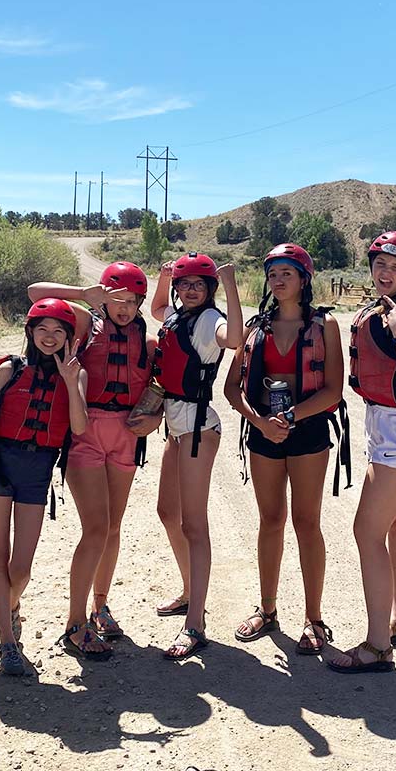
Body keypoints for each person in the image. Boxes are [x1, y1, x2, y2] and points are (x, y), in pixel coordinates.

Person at [27, 263, 162, 661]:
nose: (123, 307)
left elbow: (159, 389)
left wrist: (153, 420)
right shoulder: (87, 323)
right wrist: (84, 294)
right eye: (117, 299)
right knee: (96, 528)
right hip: (86, 431)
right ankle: (74, 622)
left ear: (140, 303)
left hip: (127, 434)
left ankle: (100, 606)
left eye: (132, 301)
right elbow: (36, 292)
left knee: (113, 527)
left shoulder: (148, 341)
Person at [223, 244, 347, 655]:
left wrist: (290, 418)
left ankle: (314, 618)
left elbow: (333, 391)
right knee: (270, 519)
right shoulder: (257, 327)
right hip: (263, 433)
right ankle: (268, 608)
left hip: (307, 432)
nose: (278, 281)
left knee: (306, 523)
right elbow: (231, 388)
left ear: (304, 279)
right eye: (273, 273)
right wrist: (259, 421)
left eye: (287, 273)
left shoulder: (325, 324)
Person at [327, 232, 396, 674]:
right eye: (379, 265)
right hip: (385, 424)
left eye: (395, 267)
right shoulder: (377, 309)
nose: (385, 273)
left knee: (366, 532)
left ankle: (377, 646)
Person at [0, 298, 87, 675]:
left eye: (58, 332)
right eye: (42, 330)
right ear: (30, 333)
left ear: (68, 337)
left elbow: (79, 428)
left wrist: (69, 381)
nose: (49, 338)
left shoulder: (75, 374)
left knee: (21, 568)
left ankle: (10, 604)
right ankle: (7, 642)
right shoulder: (10, 370)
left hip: (37, 469)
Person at [150, 252, 243, 660]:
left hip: (198, 429)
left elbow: (234, 339)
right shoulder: (178, 316)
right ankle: (190, 593)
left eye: (198, 285)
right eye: (184, 284)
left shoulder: (208, 320)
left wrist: (234, 286)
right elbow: (156, 309)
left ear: (210, 291)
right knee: (167, 512)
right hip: (177, 427)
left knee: (193, 524)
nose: (189, 291)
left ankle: (196, 624)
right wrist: (161, 276)